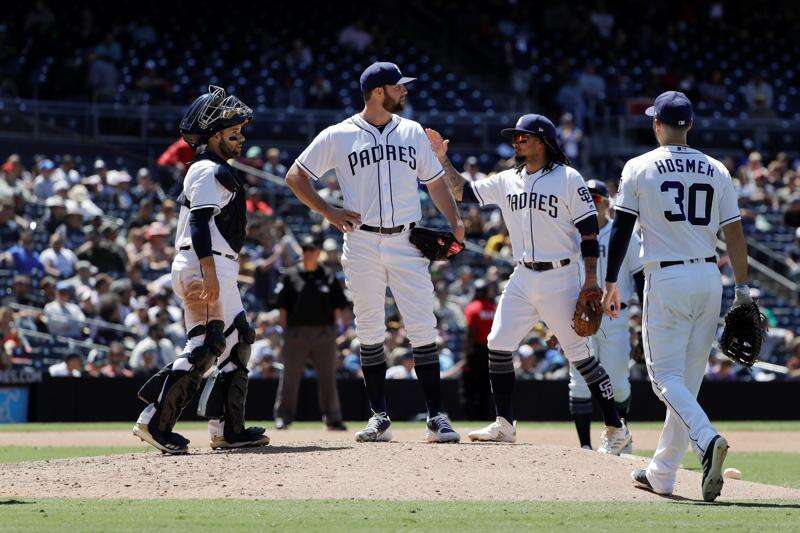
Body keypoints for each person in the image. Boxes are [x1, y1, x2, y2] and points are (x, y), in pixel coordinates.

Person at [285, 62, 465, 443]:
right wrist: (328, 211)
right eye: (399, 87)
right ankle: (379, 415)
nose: (405, 92)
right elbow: (295, 176)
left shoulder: (412, 131)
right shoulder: (339, 134)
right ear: (380, 91)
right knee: (369, 327)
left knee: (421, 326)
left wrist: (456, 220)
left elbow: (434, 183)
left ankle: (437, 416)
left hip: (407, 240)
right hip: (362, 240)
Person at [429, 113, 631, 452]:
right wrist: (441, 158)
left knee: (579, 354)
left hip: (561, 275)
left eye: (523, 136)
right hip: (523, 274)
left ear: (543, 141)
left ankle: (615, 426)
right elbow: (462, 190)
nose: (516, 141)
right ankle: (505, 425)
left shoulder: (568, 178)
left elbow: (589, 233)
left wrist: (592, 281)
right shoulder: (508, 178)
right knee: (498, 343)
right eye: (515, 137)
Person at [602, 91, 746, 502]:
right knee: (687, 384)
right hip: (709, 276)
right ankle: (662, 472)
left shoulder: (640, 166)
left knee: (664, 379)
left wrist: (611, 280)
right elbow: (734, 232)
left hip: (666, 277)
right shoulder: (716, 168)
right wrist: (745, 288)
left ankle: (706, 440)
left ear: (656, 124)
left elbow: (623, 226)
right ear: (691, 126)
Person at [134, 85, 269, 454]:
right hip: (202, 263)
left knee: (237, 339)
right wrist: (209, 271)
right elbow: (198, 223)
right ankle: (154, 421)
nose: (240, 138)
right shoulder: (208, 168)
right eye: (233, 132)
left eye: (241, 132)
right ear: (212, 134)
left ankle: (228, 429)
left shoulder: (213, 168)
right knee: (207, 343)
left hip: (214, 265)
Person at [566, 179, 644, 451]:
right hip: (580, 317)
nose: (591, 204)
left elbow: (640, 275)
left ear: (608, 203)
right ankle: (585, 447)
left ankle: (619, 438)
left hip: (615, 315)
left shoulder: (623, 234)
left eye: (596, 199)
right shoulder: (571, 235)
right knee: (578, 382)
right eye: (587, 199)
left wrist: (645, 318)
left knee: (618, 381)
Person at [273, 236, 349, 431]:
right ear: (302, 252)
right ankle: (284, 417)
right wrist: (286, 332)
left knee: (327, 377)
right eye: (305, 249)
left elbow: (339, 306)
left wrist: (336, 330)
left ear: (318, 252)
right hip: (296, 333)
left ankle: (333, 418)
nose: (308, 253)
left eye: (312, 249)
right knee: (290, 376)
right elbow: (282, 307)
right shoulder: (291, 275)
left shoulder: (328, 275)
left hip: (324, 334)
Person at [461, 279, 497, 420]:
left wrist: (466, 353)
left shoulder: (472, 307)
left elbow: (470, 330)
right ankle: (486, 416)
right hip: (490, 350)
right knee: (487, 386)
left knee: (470, 385)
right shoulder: (493, 308)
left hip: (475, 351)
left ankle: (470, 416)